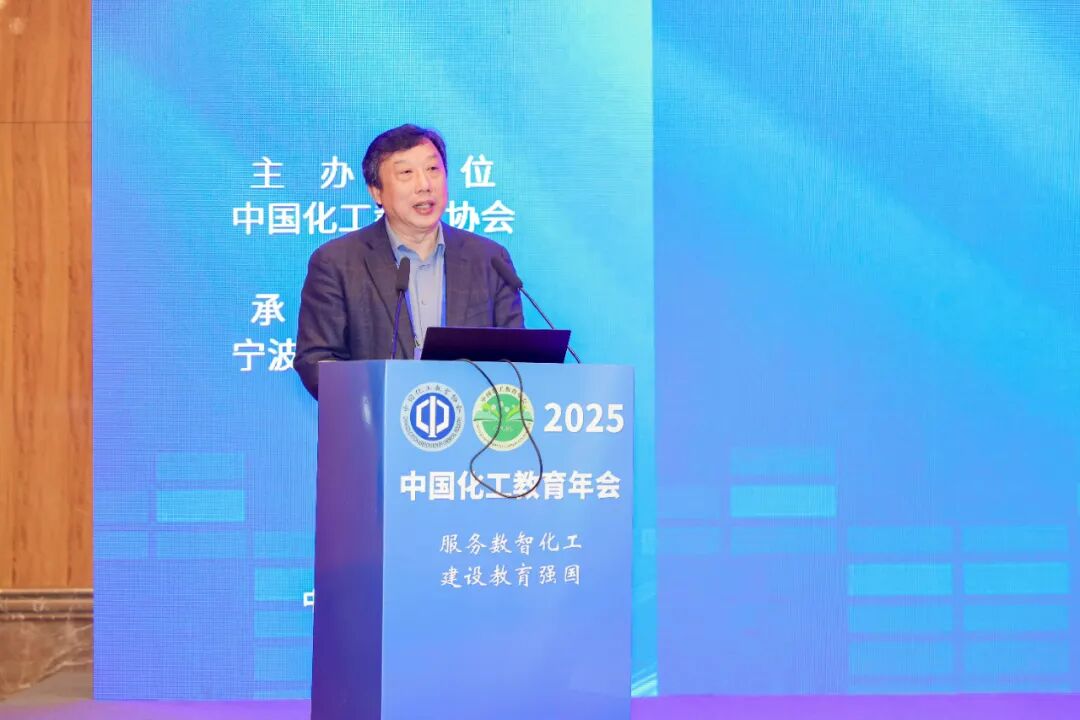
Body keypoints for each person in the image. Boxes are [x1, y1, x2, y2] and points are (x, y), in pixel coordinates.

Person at [294, 124, 524, 399]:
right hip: (377, 421)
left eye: (433, 169)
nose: (424, 185)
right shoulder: (337, 263)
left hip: (473, 422)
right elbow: (317, 361)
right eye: (406, 173)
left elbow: (517, 360)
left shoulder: (490, 259)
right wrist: (377, 403)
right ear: (376, 192)